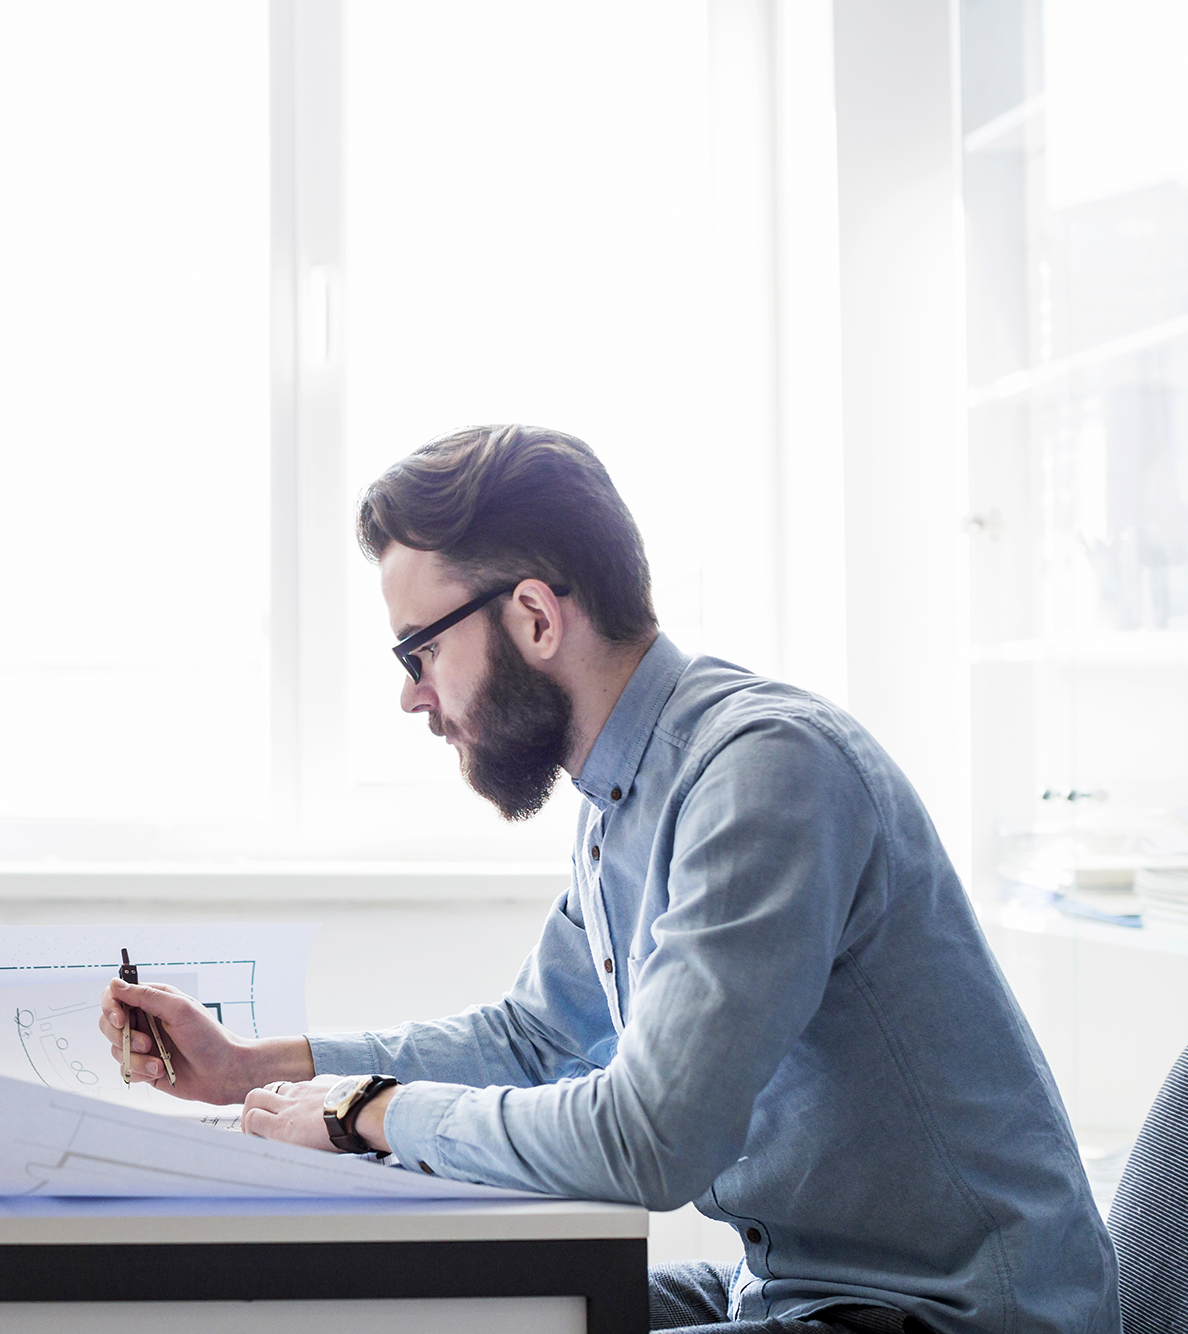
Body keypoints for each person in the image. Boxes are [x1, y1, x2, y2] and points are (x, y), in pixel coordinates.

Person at [99, 426, 1118, 1334]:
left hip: (948, 1312)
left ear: (535, 616)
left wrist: (369, 1105)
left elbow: (648, 1140)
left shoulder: (761, 772)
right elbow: (534, 1038)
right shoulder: (619, 795)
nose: (411, 696)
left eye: (419, 650)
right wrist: (248, 1066)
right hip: (795, 1286)